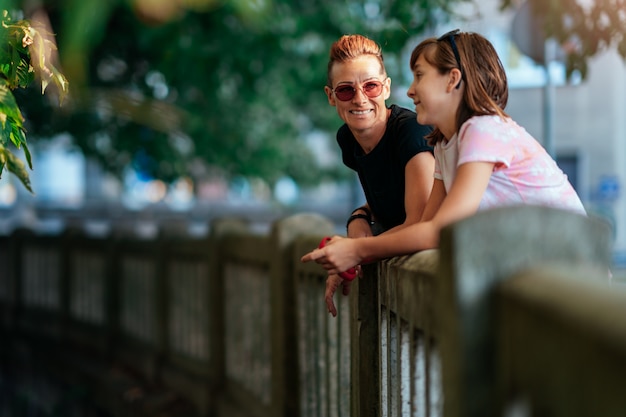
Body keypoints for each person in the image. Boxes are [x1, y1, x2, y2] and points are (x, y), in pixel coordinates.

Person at [302, 29, 586, 277]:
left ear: (452, 80)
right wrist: (352, 251)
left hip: (571, 272)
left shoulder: (483, 130)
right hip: (531, 270)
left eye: (420, 76)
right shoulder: (445, 144)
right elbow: (425, 226)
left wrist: (357, 250)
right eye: (345, 90)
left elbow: (439, 231)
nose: (411, 91)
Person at [322, 34, 435, 316]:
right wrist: (359, 217)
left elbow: (419, 221)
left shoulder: (411, 132)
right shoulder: (347, 139)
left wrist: (356, 250)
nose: (360, 99)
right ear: (331, 97)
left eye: (370, 86)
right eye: (346, 90)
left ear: (386, 88)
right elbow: (392, 194)